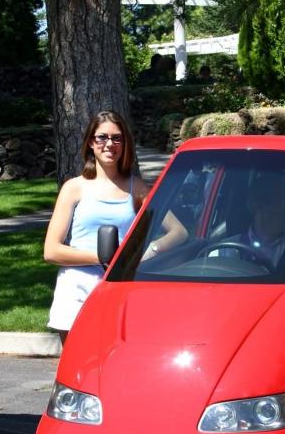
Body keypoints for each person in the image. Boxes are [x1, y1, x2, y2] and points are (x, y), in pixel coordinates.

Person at [44, 110, 186, 343]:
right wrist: (103, 257)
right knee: (75, 370)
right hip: (76, 289)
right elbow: (51, 251)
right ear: (91, 142)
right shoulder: (74, 188)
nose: (109, 144)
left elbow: (179, 232)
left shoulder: (138, 189)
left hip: (121, 289)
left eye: (117, 138)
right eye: (102, 137)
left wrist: (144, 253)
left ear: (124, 144)